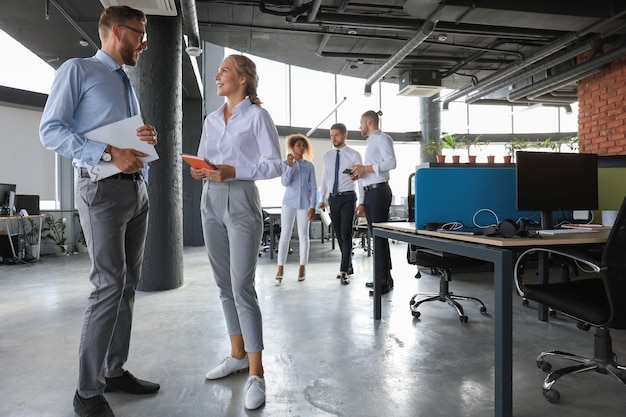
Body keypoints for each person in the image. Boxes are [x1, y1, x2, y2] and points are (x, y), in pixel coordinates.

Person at [39, 5, 159, 417]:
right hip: (101, 192)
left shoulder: (125, 81)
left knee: (127, 285)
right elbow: (51, 130)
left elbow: (127, 138)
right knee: (108, 285)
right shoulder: (78, 70)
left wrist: (145, 136)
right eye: (139, 33)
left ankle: (115, 370)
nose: (144, 42)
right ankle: (87, 392)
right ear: (115, 31)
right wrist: (108, 150)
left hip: (136, 191)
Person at [189, 54, 282, 410]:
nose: (217, 76)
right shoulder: (213, 119)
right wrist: (201, 170)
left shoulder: (258, 117)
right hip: (210, 201)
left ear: (243, 79)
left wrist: (234, 171)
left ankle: (257, 374)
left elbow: (274, 165)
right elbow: (203, 159)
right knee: (223, 285)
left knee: (242, 286)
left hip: (242, 200)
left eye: (224, 71)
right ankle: (237, 355)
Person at [351, 110, 397, 294]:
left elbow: (391, 163)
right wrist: (360, 173)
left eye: (360, 122)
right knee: (378, 238)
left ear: (369, 122)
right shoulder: (370, 143)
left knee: (379, 238)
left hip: (379, 192)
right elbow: (369, 172)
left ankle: (382, 280)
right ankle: (385, 276)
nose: (359, 126)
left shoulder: (382, 139)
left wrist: (366, 168)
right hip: (371, 193)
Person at [318, 123, 362, 285]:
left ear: (344, 135)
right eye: (331, 135)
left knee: (345, 233)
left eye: (336, 135)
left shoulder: (354, 155)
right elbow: (325, 178)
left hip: (348, 197)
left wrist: (362, 202)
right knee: (338, 234)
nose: (333, 138)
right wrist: (321, 198)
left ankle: (343, 270)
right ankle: (348, 264)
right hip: (333, 198)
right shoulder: (328, 156)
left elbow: (360, 179)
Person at [275, 134, 317, 282]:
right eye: (298, 145)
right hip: (288, 203)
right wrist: (291, 167)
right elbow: (285, 182)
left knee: (303, 236)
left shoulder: (309, 166)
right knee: (285, 234)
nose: (301, 147)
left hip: (305, 204)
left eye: (303, 145)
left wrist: (313, 206)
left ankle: (302, 267)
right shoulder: (285, 163)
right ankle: (280, 267)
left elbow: (313, 187)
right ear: (292, 147)